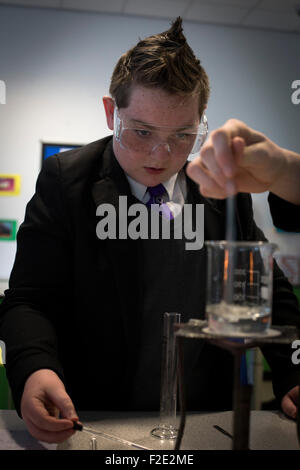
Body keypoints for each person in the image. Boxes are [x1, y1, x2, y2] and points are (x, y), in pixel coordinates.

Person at [0, 18, 299, 445]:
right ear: (111, 113)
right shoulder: (67, 182)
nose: (161, 154)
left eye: (183, 135)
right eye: (141, 132)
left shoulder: (221, 187)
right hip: (92, 415)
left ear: (201, 123)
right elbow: (30, 299)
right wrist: (34, 369)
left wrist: (294, 372)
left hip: (202, 417)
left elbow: (265, 287)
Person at [186, 119, 300, 231]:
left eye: (182, 134)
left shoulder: (226, 192)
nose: (167, 154)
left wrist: (282, 169)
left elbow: (288, 223)